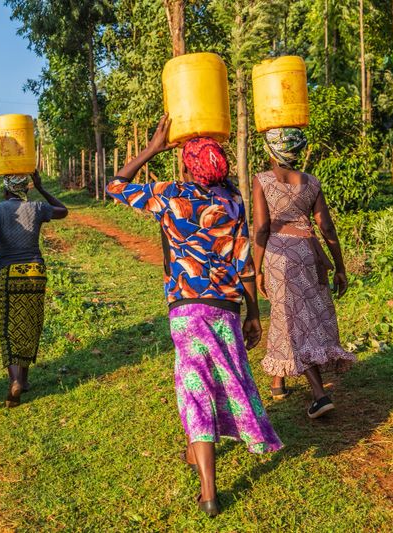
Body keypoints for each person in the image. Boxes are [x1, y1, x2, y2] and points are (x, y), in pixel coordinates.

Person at [106, 115, 282, 518]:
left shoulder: (171, 195)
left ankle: (208, 491)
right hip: (226, 306)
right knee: (224, 379)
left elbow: (114, 186)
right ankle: (198, 450)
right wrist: (254, 313)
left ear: (187, 164)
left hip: (186, 308)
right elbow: (244, 261)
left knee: (195, 388)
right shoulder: (233, 200)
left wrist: (152, 149)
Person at [252, 127, 355, 418]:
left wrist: (256, 268)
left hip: (278, 255)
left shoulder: (262, 180)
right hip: (308, 253)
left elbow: (261, 228)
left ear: (271, 151)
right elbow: (327, 227)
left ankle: (320, 395)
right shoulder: (311, 182)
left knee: (290, 318)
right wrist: (340, 267)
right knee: (294, 314)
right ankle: (278, 379)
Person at [0, 171, 68, 407]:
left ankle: (15, 380)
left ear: (5, 191)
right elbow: (63, 211)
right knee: (30, 323)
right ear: (26, 190)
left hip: (10, 273)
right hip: (36, 271)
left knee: (9, 327)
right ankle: (23, 381)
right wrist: (43, 189)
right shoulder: (37, 208)